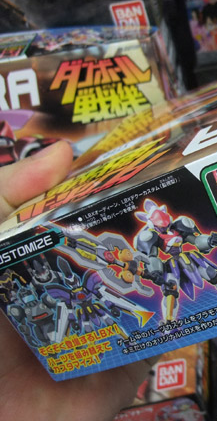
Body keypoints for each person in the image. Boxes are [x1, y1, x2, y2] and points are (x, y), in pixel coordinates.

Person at [0, 141, 156, 421]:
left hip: (94, 302)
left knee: (106, 308)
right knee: (81, 314)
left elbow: (101, 274)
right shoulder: (60, 289)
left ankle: (135, 317)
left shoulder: (103, 266)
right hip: (72, 324)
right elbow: (61, 306)